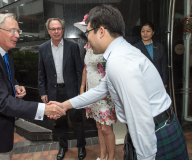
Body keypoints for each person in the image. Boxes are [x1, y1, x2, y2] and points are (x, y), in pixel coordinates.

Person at [49, 4, 189, 160]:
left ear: (101, 31)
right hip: (161, 125)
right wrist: (64, 105)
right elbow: (100, 90)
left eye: (88, 32)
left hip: (156, 132)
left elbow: (140, 119)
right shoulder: (122, 52)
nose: (86, 37)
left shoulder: (118, 61)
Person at [0, 13, 65, 160]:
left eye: (18, 31)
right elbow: (1, 101)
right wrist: (44, 109)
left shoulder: (4, 52)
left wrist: (14, 85)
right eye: (12, 31)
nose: (17, 35)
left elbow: (2, 76)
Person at [38, 18, 86, 160]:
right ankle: (63, 147)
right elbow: (41, 72)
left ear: (63, 30)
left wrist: (80, 90)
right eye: (53, 29)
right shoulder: (43, 48)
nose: (56, 31)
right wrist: (42, 92)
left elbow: (79, 71)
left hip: (71, 92)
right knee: (59, 122)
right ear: (48, 31)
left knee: (76, 120)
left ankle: (81, 146)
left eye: (59, 28)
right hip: (53, 92)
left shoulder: (72, 47)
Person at [74, 15, 117, 160]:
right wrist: (82, 88)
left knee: (106, 128)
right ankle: (103, 155)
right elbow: (86, 68)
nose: (87, 33)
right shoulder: (87, 47)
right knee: (99, 126)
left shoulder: (106, 46)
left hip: (105, 93)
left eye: (88, 30)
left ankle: (111, 158)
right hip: (91, 92)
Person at [134, 22, 168, 88]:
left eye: (148, 31)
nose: (145, 34)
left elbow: (163, 66)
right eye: (143, 31)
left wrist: (165, 82)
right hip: (143, 82)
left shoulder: (159, 47)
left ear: (153, 32)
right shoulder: (135, 48)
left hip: (158, 81)